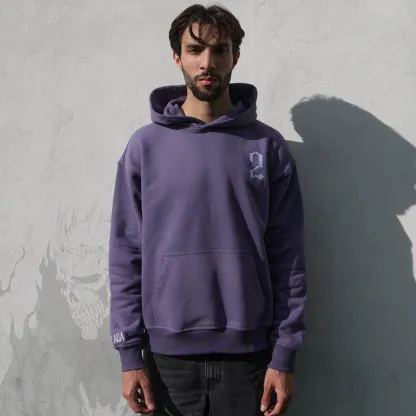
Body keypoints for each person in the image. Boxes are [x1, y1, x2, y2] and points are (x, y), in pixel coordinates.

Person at [108, 4, 307, 416]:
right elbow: (126, 256)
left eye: (220, 50)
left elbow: (288, 259)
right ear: (177, 57)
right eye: (195, 49)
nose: (207, 62)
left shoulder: (267, 147)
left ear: (235, 57)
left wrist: (284, 354)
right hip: (166, 359)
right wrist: (129, 355)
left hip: (250, 359)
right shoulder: (144, 148)